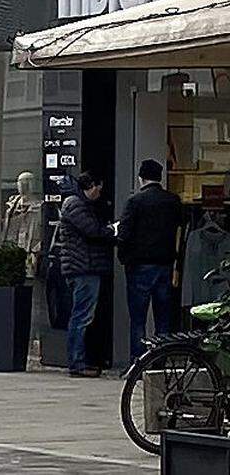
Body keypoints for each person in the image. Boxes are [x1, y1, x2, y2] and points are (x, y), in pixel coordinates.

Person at [118, 159, 183, 362]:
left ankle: (138, 362)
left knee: (138, 319)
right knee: (163, 317)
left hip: (139, 266)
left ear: (141, 178)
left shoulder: (135, 202)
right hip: (165, 264)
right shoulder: (172, 201)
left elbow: (124, 233)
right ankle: (161, 361)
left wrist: (124, 256)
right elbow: (180, 230)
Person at [56, 171, 116, 378]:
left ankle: (79, 361)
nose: (100, 193)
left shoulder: (75, 203)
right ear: (91, 187)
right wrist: (112, 231)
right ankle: (77, 363)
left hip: (81, 267)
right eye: (98, 189)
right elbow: (92, 231)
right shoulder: (76, 205)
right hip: (83, 268)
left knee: (81, 315)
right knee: (82, 316)